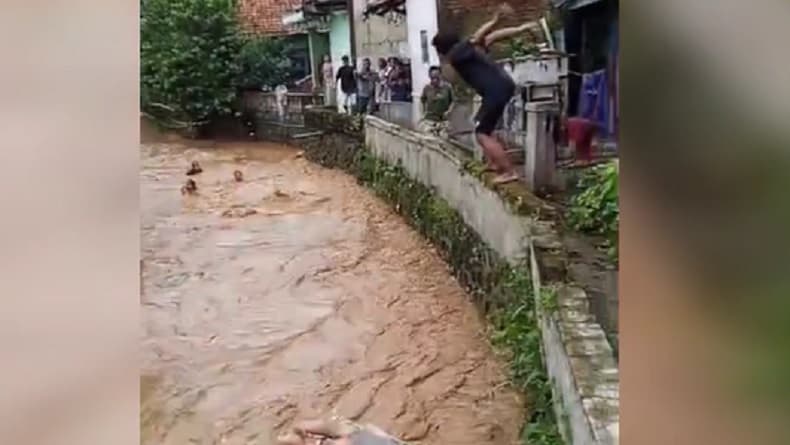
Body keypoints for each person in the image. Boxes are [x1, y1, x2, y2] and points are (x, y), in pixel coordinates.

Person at [432, 13, 523, 184]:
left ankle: (509, 171)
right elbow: (491, 36)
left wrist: (495, 21)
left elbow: (477, 36)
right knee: (482, 125)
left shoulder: (457, 53)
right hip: (500, 87)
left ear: (441, 48)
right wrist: (514, 27)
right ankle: (494, 163)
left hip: (495, 90)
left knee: (482, 133)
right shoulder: (467, 52)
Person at [419, 66, 454, 138]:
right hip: (430, 120)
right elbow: (422, 101)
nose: (434, 80)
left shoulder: (447, 87)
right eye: (432, 78)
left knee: (444, 138)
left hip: (443, 121)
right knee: (429, 138)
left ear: (440, 76)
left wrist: (449, 111)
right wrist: (422, 113)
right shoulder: (427, 88)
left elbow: (453, 101)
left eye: (437, 78)